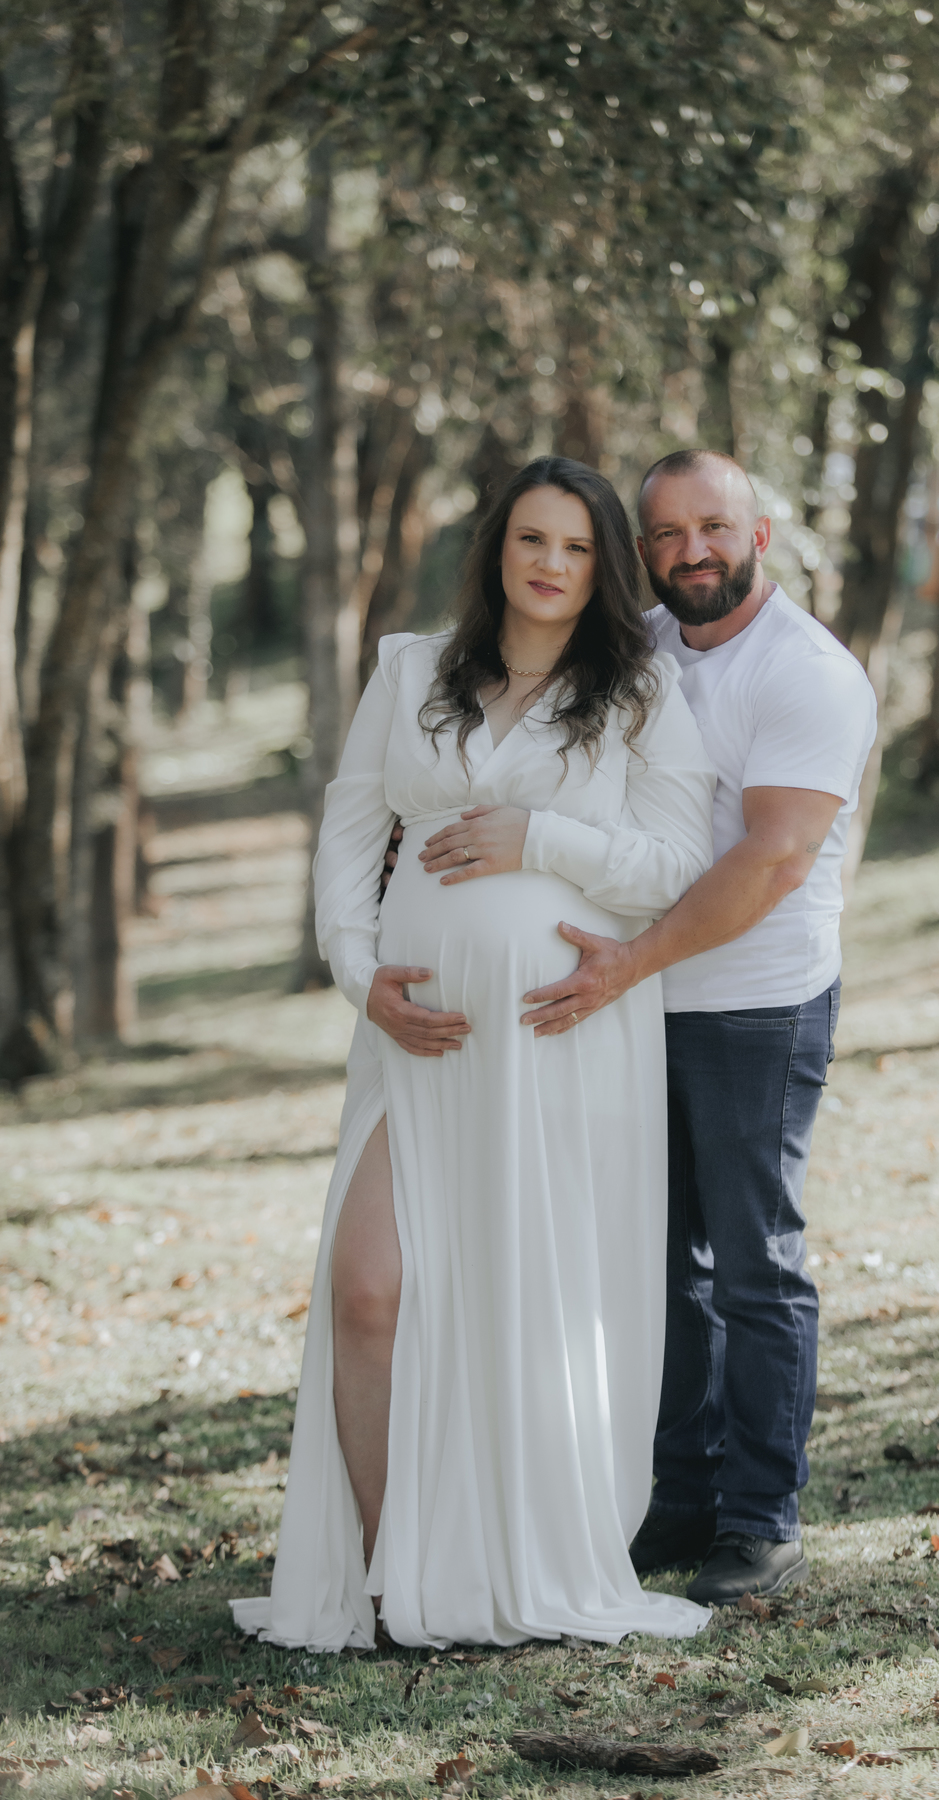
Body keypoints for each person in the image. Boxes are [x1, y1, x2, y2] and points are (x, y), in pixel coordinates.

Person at [230, 456, 715, 1650]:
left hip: (561, 1041)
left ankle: (501, 1560)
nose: (551, 564)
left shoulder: (639, 690)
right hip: (415, 1040)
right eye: (532, 538)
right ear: (497, 546)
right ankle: (388, 1577)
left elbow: (676, 865)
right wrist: (360, 978)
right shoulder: (410, 671)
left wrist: (537, 838)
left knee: (523, 1308)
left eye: (578, 548)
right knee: (368, 1291)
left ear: (602, 570)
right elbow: (351, 832)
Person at [519, 449, 877, 1606]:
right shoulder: (638, 649)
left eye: (713, 527)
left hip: (756, 1007)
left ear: (758, 534)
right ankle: (682, 1495)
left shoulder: (808, 676)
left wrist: (629, 962)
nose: (692, 552)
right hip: (639, 1004)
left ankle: (762, 1522)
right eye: (667, 534)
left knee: (754, 1268)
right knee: (661, 1264)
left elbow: (771, 862)